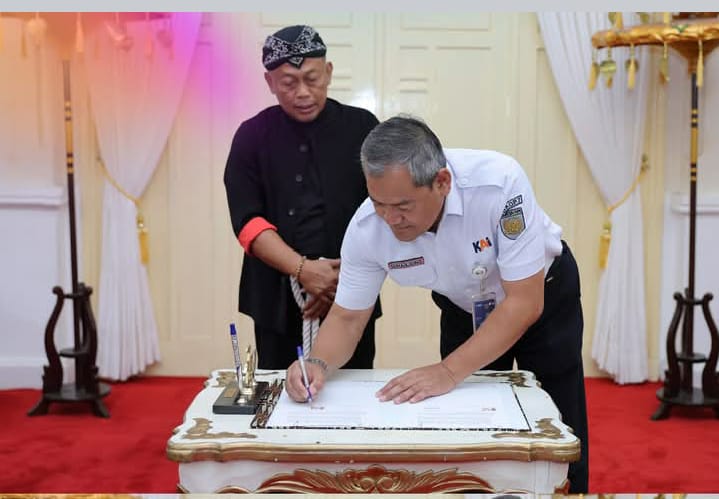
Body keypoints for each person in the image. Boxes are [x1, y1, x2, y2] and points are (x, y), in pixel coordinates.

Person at [285, 115, 589, 493]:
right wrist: (317, 363)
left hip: (542, 296)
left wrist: (447, 370)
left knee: (557, 424)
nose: (390, 219)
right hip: (465, 307)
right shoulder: (366, 229)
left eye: (403, 205)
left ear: (442, 182)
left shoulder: (499, 184)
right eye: (378, 203)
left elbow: (524, 303)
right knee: (467, 424)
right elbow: (347, 317)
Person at [223, 25, 380, 370]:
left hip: (351, 292)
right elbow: (247, 223)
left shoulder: (363, 128)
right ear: (270, 82)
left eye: (312, 79)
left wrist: (338, 279)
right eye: (289, 83)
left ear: (329, 72)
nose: (303, 93)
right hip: (275, 297)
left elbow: (382, 211)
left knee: (351, 389)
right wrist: (303, 270)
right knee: (281, 388)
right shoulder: (251, 136)